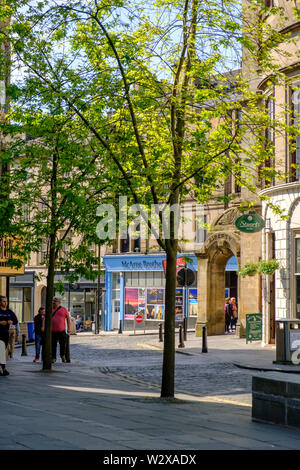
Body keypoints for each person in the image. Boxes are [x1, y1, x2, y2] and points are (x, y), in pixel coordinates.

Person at [52, 297, 71, 363]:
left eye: (55, 301)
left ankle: (62, 356)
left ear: (59, 302)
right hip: (53, 331)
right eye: (53, 301)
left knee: (63, 345)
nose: (53, 302)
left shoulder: (63, 309)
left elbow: (68, 319)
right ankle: (53, 358)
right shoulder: (50, 309)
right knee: (53, 345)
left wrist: (69, 328)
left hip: (61, 331)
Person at [0, 295, 15, 376]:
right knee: (1, 351)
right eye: (4, 301)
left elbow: (15, 320)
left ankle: (3, 369)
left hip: (5, 334)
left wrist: (11, 321)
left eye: (6, 301)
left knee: (2, 351)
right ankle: (4, 369)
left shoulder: (9, 311)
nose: (5, 303)